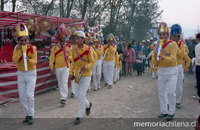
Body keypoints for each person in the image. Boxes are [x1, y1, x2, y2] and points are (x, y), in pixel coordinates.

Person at [152, 22, 178, 121]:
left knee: (171, 92)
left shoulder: (173, 44)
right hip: (161, 71)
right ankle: (164, 111)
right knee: (161, 93)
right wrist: (154, 62)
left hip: (172, 71)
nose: (162, 36)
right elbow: (155, 59)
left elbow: (172, 58)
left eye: (164, 34)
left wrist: (163, 57)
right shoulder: (157, 45)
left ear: (168, 34)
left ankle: (171, 112)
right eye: (160, 35)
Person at [12, 23, 37, 125]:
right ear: (18, 41)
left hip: (31, 73)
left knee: (29, 95)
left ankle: (31, 114)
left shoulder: (33, 48)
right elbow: (14, 60)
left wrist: (28, 59)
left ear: (28, 40)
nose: (23, 42)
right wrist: (20, 52)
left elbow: (35, 61)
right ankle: (27, 114)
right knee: (22, 96)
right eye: (21, 41)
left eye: (25, 40)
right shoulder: (16, 49)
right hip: (20, 73)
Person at [69, 30, 94, 125]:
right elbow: (73, 63)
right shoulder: (74, 50)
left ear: (83, 40)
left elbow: (92, 62)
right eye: (75, 38)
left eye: (78, 38)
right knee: (77, 95)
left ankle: (79, 115)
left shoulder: (88, 49)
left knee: (82, 95)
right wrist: (71, 73)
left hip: (86, 75)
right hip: (77, 75)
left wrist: (86, 67)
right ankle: (88, 105)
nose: (76, 40)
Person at [49, 27, 72, 106]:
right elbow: (52, 58)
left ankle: (63, 98)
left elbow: (72, 56)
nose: (63, 41)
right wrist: (51, 67)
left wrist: (68, 57)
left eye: (64, 40)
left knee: (64, 82)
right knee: (60, 83)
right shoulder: (55, 48)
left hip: (66, 66)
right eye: (61, 40)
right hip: (58, 67)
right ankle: (62, 95)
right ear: (58, 40)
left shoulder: (69, 47)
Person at [170, 24, 191, 109]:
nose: (176, 37)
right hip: (170, 66)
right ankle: (170, 102)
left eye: (178, 35)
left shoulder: (182, 43)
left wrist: (175, 48)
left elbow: (183, 54)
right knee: (170, 86)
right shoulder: (168, 43)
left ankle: (178, 101)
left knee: (179, 86)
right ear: (172, 35)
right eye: (175, 35)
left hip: (179, 66)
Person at [194, 33, 200, 103]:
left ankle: (199, 95)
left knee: (199, 81)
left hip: (199, 66)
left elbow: (198, 57)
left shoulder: (197, 46)